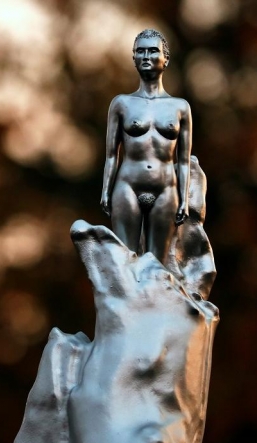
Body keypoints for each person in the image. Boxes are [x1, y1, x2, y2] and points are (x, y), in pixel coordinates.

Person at [100, 29, 191, 266]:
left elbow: (183, 160)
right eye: (140, 51)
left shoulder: (180, 107)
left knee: (157, 267)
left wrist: (184, 199)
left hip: (166, 189)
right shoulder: (121, 104)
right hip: (127, 186)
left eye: (152, 51)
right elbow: (111, 154)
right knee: (124, 264)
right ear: (134, 59)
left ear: (165, 58)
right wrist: (106, 190)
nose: (146, 56)